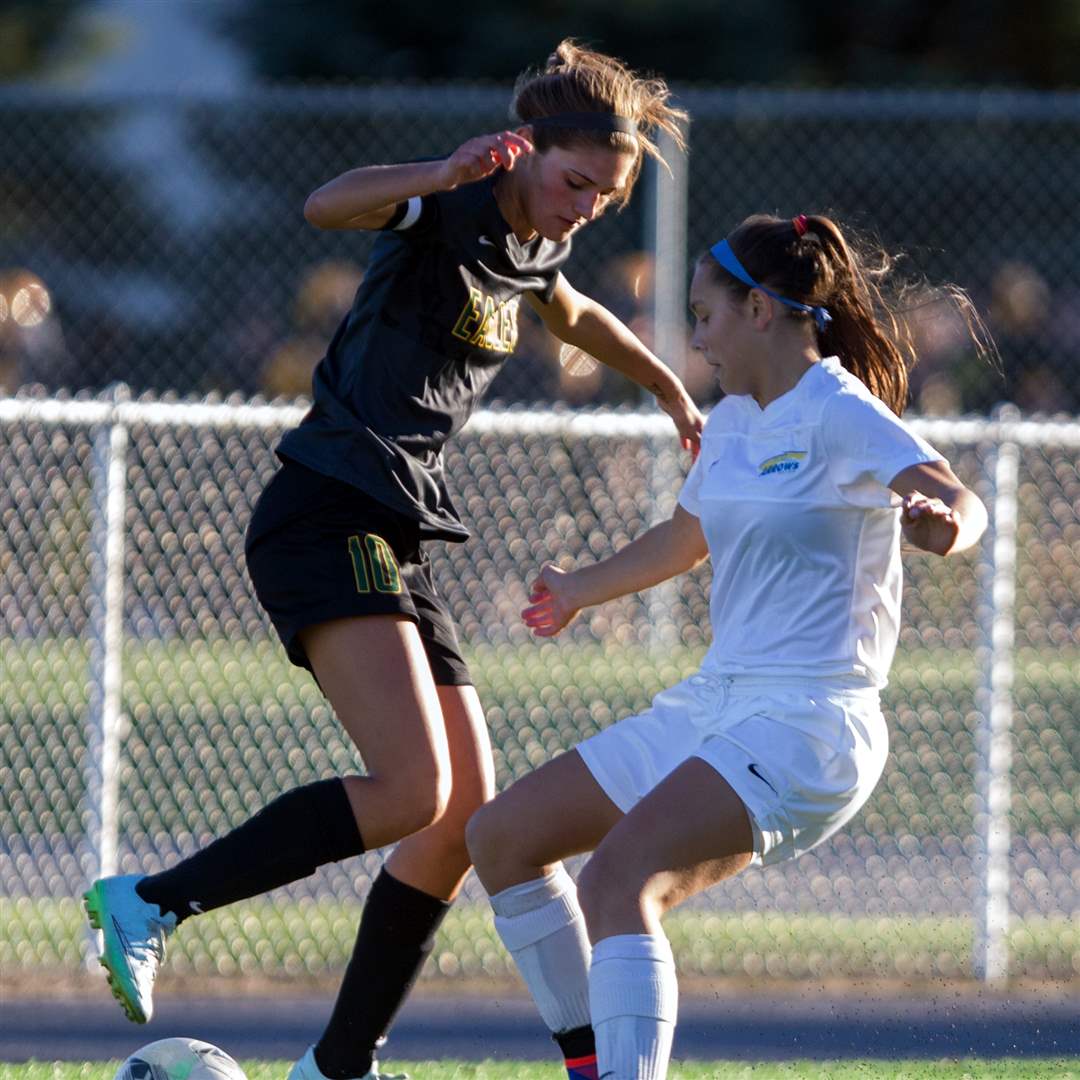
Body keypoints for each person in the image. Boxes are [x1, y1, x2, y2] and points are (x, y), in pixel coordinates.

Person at [81, 40, 702, 1080]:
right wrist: (437, 172)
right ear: (524, 154)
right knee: (414, 789)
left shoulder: (535, 245)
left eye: (607, 195)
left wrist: (672, 392)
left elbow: (576, 312)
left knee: (463, 819)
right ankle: (150, 900)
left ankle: (338, 1064)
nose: (587, 206)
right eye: (574, 182)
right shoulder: (452, 207)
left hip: (396, 531)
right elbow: (329, 204)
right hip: (329, 510)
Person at [466, 212, 992, 1080]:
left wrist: (942, 528)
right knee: (502, 837)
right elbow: (683, 540)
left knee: (616, 885)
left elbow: (955, 498)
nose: (696, 337)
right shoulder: (737, 421)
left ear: (760, 310)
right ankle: (594, 1064)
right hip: (719, 701)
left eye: (705, 314)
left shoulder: (837, 409)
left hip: (811, 721)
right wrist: (580, 589)